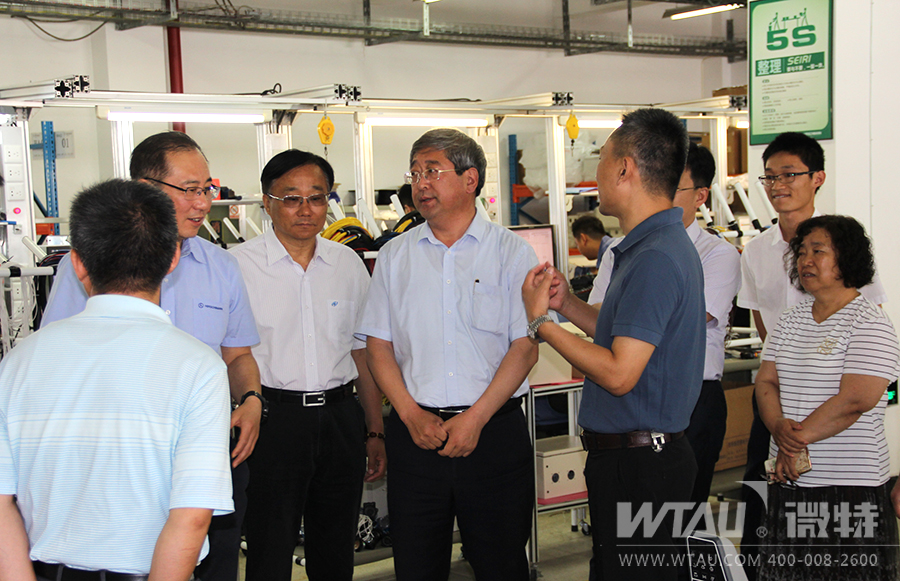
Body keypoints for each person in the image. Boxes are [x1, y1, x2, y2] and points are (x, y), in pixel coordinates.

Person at [40, 132, 262, 581]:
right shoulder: (88, 266)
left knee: (214, 561)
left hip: (208, 450)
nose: (203, 203)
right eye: (190, 190)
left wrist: (253, 400)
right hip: (121, 457)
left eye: (208, 189)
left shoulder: (222, 267)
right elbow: (57, 359)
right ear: (145, 189)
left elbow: (237, 355)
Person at [0, 179, 234, 580]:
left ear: (77, 263)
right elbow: (192, 516)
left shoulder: (20, 362)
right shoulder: (199, 367)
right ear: (173, 257)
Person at [522, 107, 704, 581]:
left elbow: (621, 373)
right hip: (635, 460)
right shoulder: (649, 247)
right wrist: (567, 305)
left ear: (625, 169)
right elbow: (626, 331)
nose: (596, 173)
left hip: (642, 466)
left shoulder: (656, 258)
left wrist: (541, 323)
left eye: (601, 159)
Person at [357, 128, 539, 580]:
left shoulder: (512, 253)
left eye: (432, 171)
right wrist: (409, 414)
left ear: (470, 179)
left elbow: (525, 347)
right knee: (417, 565)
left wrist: (475, 419)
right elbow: (378, 345)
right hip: (417, 437)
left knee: (501, 564)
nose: (421, 183)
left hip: (493, 435)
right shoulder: (395, 256)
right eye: (415, 173)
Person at [230, 150, 386, 581]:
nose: (305, 209)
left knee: (336, 546)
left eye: (316, 198)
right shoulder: (237, 267)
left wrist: (374, 429)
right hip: (271, 421)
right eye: (291, 198)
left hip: (340, 418)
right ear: (267, 202)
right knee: (269, 545)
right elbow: (230, 355)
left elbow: (361, 352)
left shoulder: (347, 264)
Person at [736, 132, 887, 578]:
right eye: (770, 177)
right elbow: (767, 351)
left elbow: (859, 392)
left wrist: (794, 438)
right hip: (780, 414)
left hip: (841, 454)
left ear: (817, 178)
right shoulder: (758, 253)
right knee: (771, 534)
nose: (778, 185)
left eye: (789, 175)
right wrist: (780, 426)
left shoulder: (846, 249)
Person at [588, 143, 741, 505]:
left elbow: (668, 322)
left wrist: (543, 324)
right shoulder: (622, 250)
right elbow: (601, 318)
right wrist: (564, 304)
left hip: (691, 398)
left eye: (675, 186)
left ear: (700, 195)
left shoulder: (712, 254)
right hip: (633, 402)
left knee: (680, 516)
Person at [755, 215, 899, 581]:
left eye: (818, 251)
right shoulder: (789, 320)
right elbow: (766, 382)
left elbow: (856, 399)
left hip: (850, 486)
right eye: (801, 252)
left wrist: (792, 441)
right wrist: (777, 426)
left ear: (846, 258)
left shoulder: (870, 322)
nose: (806, 260)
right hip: (790, 478)